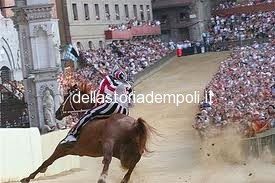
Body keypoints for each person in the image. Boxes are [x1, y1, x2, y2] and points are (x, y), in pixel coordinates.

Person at [61, 66, 133, 144]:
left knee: (89, 114)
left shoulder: (108, 79)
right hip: (125, 111)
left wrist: (96, 106)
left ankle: (73, 135)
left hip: (112, 105)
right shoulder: (128, 85)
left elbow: (100, 94)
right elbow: (131, 103)